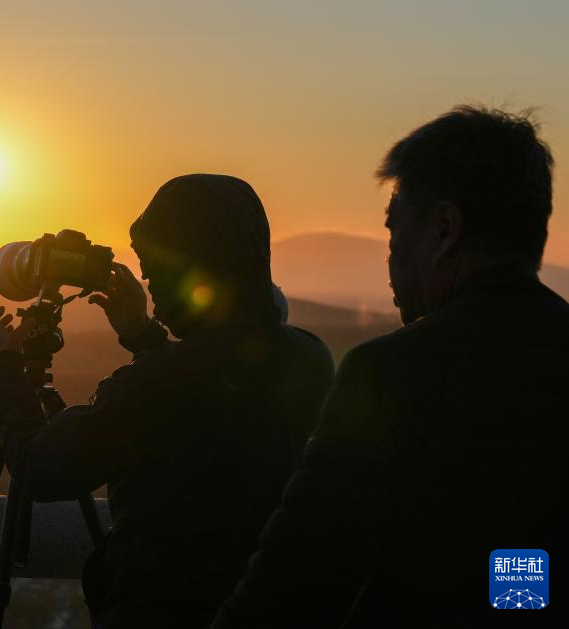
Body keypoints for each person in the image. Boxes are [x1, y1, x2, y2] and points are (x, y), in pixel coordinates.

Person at [209, 106, 568, 627]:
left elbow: (296, 580)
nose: (390, 254)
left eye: (394, 227)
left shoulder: (393, 373)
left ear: (444, 229)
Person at [0, 174, 335, 628]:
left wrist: (4, 372)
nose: (148, 281)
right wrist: (144, 336)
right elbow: (212, 390)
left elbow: (40, 468)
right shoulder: (309, 356)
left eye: (154, 267)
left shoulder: (153, 387)